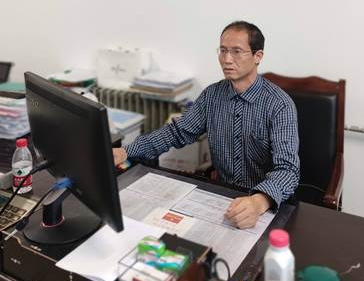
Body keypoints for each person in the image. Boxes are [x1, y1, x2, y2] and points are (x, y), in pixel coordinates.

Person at [113, 21, 299, 229]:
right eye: (223, 50)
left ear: (258, 56)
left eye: (237, 51)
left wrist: (259, 201)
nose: (227, 59)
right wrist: (126, 151)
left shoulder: (280, 105)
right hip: (222, 197)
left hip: (265, 204)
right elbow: (177, 132)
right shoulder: (212, 95)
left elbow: (288, 170)